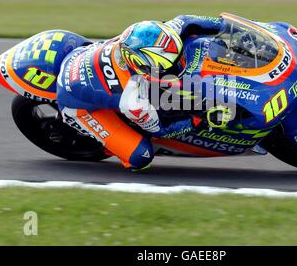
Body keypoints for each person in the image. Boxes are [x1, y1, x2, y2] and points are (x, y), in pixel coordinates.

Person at [56, 15, 225, 171]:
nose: (179, 66)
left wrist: (230, 26)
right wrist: (198, 119)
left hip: (80, 56)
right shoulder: (132, 99)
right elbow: (161, 131)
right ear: (142, 68)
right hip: (74, 102)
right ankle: (109, 143)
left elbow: (187, 20)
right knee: (140, 157)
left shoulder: (160, 37)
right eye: (169, 67)